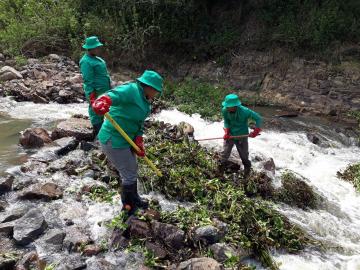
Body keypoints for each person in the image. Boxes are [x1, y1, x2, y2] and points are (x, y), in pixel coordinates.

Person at [91, 70, 163, 214]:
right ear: (149, 87)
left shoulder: (145, 100)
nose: (157, 94)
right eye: (156, 91)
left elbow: (139, 123)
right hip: (113, 139)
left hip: (128, 139)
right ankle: (128, 207)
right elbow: (112, 95)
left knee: (132, 168)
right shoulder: (131, 90)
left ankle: (134, 198)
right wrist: (103, 101)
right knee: (128, 173)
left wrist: (138, 141)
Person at [220, 94, 262, 178]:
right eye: (227, 106)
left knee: (244, 157)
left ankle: (246, 174)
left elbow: (258, 118)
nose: (227, 108)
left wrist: (256, 131)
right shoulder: (225, 110)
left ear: (235, 106)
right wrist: (226, 131)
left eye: (229, 106)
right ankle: (220, 171)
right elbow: (226, 122)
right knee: (224, 154)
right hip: (230, 135)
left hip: (242, 136)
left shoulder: (245, 111)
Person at [79, 36, 111, 136]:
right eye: (96, 47)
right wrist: (91, 97)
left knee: (105, 111)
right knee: (95, 112)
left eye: (98, 47)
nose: (98, 49)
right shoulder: (86, 61)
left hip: (104, 91)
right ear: (90, 48)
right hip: (96, 92)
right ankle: (97, 133)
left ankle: (102, 133)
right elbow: (88, 81)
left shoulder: (97, 59)